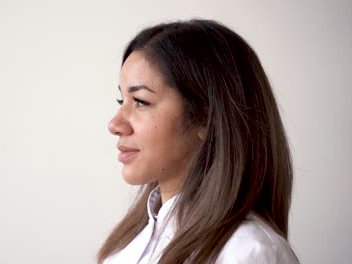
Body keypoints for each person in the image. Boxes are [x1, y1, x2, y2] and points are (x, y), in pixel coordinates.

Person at [97, 19, 299, 264]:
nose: (114, 125)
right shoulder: (124, 247)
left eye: (140, 101)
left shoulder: (249, 252)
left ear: (206, 117)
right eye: (122, 101)